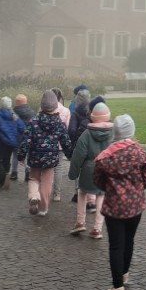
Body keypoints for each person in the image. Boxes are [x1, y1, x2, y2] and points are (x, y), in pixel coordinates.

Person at [93, 114, 146, 290]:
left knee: (116, 246)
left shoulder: (105, 157)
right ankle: (124, 274)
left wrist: (112, 189)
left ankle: (117, 286)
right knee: (129, 241)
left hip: (114, 207)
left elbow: (98, 181)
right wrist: (136, 188)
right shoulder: (140, 153)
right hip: (135, 206)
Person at [18, 90, 72, 217]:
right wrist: (70, 155)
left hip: (35, 158)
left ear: (42, 106)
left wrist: (21, 156)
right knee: (47, 183)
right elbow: (66, 142)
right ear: (55, 105)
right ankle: (43, 208)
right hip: (51, 160)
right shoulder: (59, 123)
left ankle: (33, 197)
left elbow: (26, 140)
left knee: (33, 179)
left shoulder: (33, 122)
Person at [68, 102, 113, 239]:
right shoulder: (113, 134)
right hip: (105, 169)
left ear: (92, 117)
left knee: (82, 192)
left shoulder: (86, 134)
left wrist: (73, 173)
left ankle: (80, 221)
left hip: (89, 169)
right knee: (101, 195)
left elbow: (78, 155)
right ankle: (97, 228)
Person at [0, 96, 25, 189]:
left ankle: (3, 175)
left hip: (0, 142)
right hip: (12, 142)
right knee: (6, 161)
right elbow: (23, 128)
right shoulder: (14, 115)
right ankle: (3, 179)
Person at [68, 88, 93, 205]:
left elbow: (72, 130)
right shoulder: (92, 111)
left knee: (78, 167)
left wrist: (73, 142)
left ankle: (77, 192)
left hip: (78, 143)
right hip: (92, 143)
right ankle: (91, 195)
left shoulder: (76, 113)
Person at [50, 87, 71, 202]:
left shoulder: (44, 109)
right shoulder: (66, 111)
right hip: (59, 144)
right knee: (58, 168)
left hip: (46, 144)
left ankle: (45, 191)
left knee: (46, 168)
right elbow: (67, 129)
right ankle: (56, 194)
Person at [10, 94, 35, 182]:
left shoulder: (13, 112)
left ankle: (14, 173)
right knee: (28, 154)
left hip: (16, 137)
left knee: (15, 155)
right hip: (27, 137)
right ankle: (28, 172)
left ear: (17, 102)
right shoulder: (31, 112)